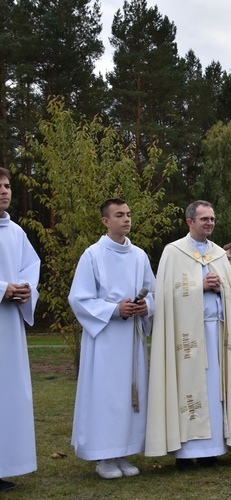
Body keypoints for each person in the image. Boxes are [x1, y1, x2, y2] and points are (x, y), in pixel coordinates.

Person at [145, 200, 231, 469]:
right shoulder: (174, 252)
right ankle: (184, 454)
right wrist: (199, 286)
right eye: (204, 219)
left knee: (216, 390)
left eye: (213, 219)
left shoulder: (218, 254)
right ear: (190, 222)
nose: (210, 223)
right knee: (185, 389)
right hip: (185, 338)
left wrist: (221, 290)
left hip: (216, 332)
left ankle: (211, 451)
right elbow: (165, 295)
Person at [68, 198, 155, 479]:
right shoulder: (92, 255)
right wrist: (114, 310)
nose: (127, 219)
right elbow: (79, 298)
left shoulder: (139, 256)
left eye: (129, 214)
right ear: (106, 221)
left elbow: (152, 292)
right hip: (104, 338)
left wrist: (145, 307)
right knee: (105, 395)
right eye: (119, 215)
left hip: (131, 338)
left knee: (130, 394)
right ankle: (103, 456)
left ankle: (122, 452)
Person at [0, 167, 40, 492]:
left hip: (9, 328)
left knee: (8, 395)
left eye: (7, 185)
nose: (4, 191)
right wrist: (3, 289)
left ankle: (3, 465)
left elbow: (31, 266)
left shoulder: (15, 232)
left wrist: (25, 288)